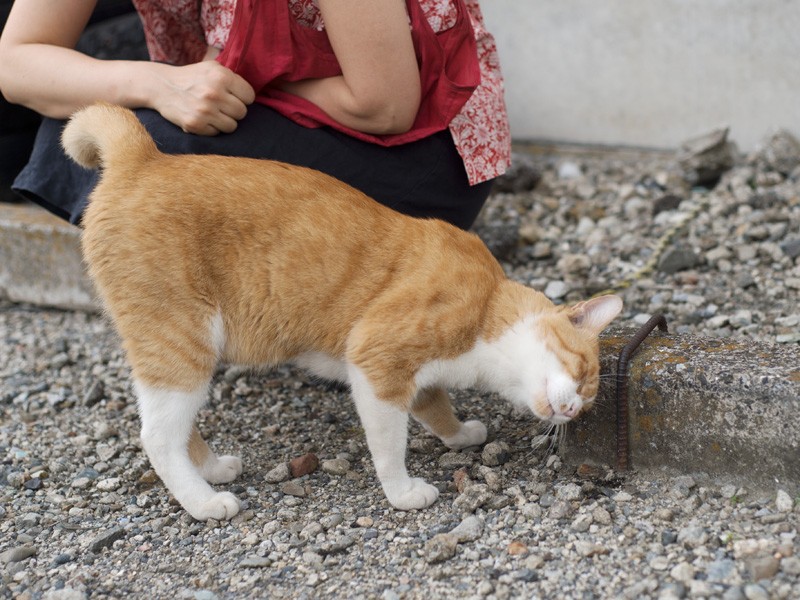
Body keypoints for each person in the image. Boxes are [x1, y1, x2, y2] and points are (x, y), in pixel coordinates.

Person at [0, 0, 510, 230]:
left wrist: (229, 70)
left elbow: (385, 106)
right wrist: (154, 82)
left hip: (415, 157)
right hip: (286, 107)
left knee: (140, 145)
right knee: (85, 130)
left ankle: (339, 306)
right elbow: (16, 62)